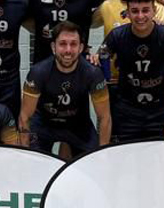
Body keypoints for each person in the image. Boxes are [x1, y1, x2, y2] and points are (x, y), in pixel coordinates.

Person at [99, 0, 164, 140]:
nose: (140, 16)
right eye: (135, 11)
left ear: (154, 10)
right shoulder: (117, 35)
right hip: (127, 110)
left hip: (161, 110)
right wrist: (103, 70)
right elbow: (101, 57)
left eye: (145, 10)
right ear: (127, 13)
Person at [19, 21, 111, 159]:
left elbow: (105, 117)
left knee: (91, 164)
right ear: (53, 47)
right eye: (62, 44)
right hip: (44, 124)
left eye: (73, 44)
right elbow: (25, 117)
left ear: (81, 48)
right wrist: (25, 154)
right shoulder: (38, 72)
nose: (68, 50)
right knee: (35, 163)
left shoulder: (93, 73)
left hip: (78, 125)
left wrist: (103, 155)